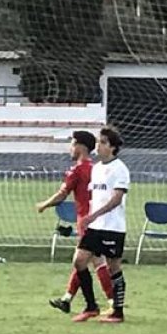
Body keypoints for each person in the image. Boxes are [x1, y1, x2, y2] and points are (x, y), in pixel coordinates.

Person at [39, 131, 114, 314]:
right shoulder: (97, 169)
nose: (70, 149)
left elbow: (62, 195)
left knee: (89, 261)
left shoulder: (77, 170)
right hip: (99, 219)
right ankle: (68, 299)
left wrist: (44, 204)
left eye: (72, 144)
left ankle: (110, 303)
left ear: (81, 147)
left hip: (86, 221)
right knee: (89, 261)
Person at [71, 127, 130, 323]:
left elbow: (116, 199)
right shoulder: (96, 169)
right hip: (95, 227)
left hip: (113, 228)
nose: (99, 146)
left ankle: (118, 312)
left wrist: (93, 215)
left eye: (103, 142)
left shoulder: (120, 169)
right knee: (79, 261)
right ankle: (91, 306)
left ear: (112, 147)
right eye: (98, 142)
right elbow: (94, 197)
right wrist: (88, 215)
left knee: (114, 268)